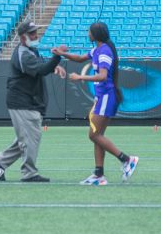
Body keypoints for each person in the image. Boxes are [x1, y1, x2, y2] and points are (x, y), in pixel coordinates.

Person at [0, 21, 66, 184]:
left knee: (27, 138)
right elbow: (41, 70)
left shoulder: (30, 50)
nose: (36, 35)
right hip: (23, 101)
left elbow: (42, 67)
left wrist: (54, 66)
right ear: (23, 38)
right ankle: (28, 173)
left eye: (36, 32)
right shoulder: (24, 53)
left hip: (27, 100)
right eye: (32, 33)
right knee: (30, 138)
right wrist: (57, 57)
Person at [60, 22, 139, 185]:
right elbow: (81, 58)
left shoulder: (104, 52)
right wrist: (61, 53)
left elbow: (102, 76)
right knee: (98, 136)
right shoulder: (97, 49)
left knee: (94, 135)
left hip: (106, 97)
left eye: (89, 31)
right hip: (102, 97)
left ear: (95, 34)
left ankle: (126, 159)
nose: (87, 33)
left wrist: (81, 77)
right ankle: (99, 175)